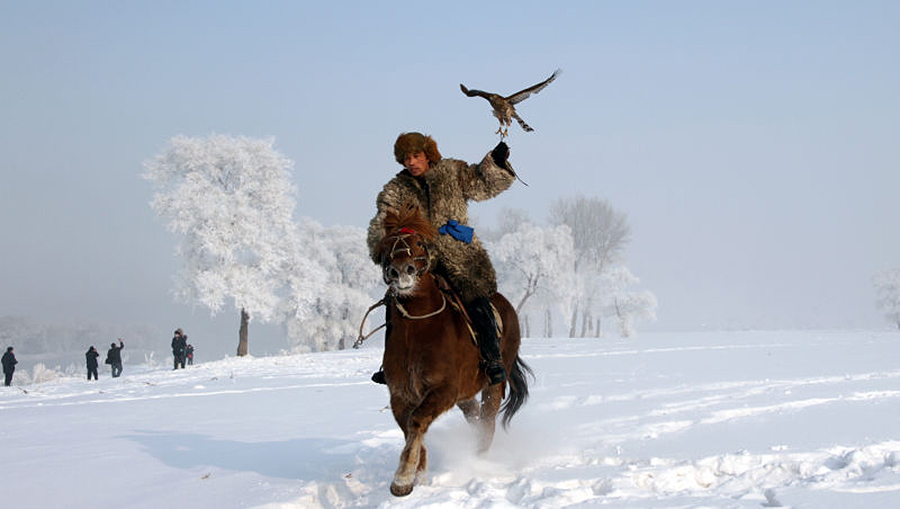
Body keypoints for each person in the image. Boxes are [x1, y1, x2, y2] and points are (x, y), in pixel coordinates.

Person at [367, 132, 516, 385]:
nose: (411, 162)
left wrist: (496, 162)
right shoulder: (395, 190)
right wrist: (386, 252)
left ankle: (492, 359)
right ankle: (391, 363)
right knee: (394, 302)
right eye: (406, 158)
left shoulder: (452, 172)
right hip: (418, 260)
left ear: (428, 155)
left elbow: (482, 184)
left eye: (416, 156)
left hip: (459, 254)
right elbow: (382, 222)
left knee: (476, 299)